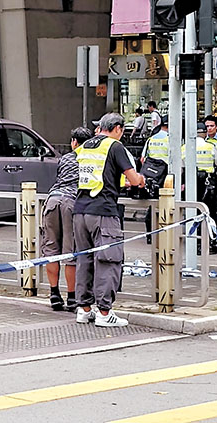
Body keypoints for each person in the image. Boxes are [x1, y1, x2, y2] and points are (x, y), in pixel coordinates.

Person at [73, 113, 145, 327]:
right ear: (117, 128)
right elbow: (133, 178)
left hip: (80, 211)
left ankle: (84, 310)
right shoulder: (114, 146)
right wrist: (140, 180)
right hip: (103, 211)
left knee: (84, 260)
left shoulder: (85, 146)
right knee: (108, 260)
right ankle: (104, 313)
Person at [42, 126, 93, 312]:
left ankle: (54, 294)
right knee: (70, 252)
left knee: (51, 248)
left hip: (52, 200)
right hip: (72, 204)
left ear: (74, 142)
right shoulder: (89, 159)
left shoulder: (65, 158)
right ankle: (72, 298)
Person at [183, 123, 217, 254]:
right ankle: (210, 243)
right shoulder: (210, 147)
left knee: (192, 213)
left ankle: (194, 242)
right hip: (207, 184)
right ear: (205, 133)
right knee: (209, 214)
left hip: (191, 184)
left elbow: (181, 165)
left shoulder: (185, 148)